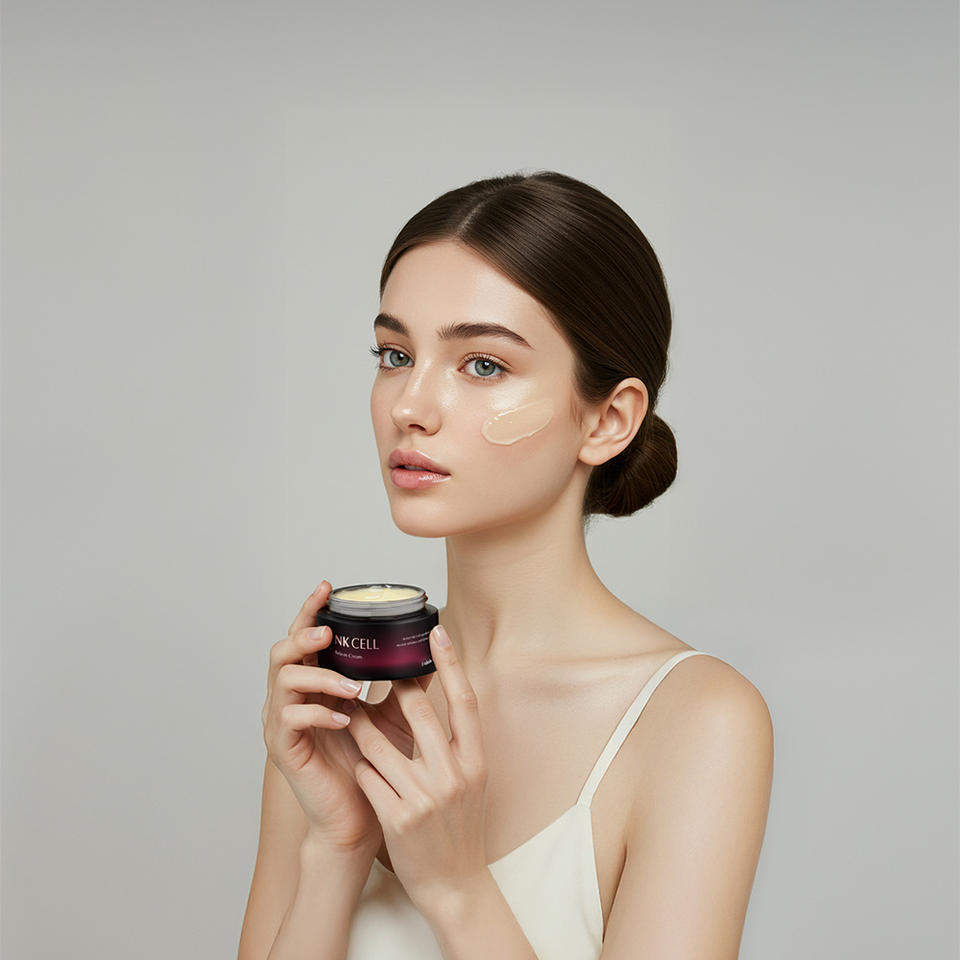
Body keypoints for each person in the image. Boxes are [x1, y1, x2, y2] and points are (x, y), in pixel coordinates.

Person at [238, 170, 774, 960]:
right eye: (395, 354)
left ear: (608, 419)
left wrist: (456, 889)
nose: (409, 406)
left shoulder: (696, 721)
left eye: (482, 365)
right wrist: (337, 846)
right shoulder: (338, 699)